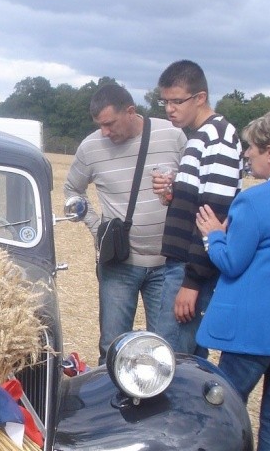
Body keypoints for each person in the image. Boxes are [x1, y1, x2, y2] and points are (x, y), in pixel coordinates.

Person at [195, 111, 270, 451]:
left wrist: (213, 233)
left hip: (253, 331)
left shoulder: (254, 199)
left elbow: (231, 262)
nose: (246, 155)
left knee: (225, 410)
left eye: (251, 148)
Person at [63, 82, 185, 363]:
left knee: (165, 351)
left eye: (110, 124)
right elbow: (72, 191)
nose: (105, 132)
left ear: (130, 111)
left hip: (167, 266)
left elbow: (191, 185)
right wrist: (96, 227)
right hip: (119, 263)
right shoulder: (91, 147)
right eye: (100, 126)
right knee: (112, 347)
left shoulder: (173, 136)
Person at [152, 60, 242, 356]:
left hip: (189, 270)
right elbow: (199, 201)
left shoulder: (218, 138)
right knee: (183, 357)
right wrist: (173, 194)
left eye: (177, 101)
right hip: (182, 265)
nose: (169, 109)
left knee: (171, 360)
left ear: (200, 98)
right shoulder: (200, 137)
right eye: (165, 101)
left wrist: (191, 282)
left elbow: (214, 214)